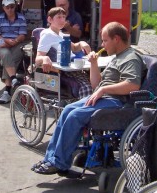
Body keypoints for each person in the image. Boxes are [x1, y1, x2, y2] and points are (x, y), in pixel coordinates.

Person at [32, 21, 146, 175]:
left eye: (105, 40)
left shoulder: (130, 58)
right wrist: (93, 64)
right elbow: (95, 84)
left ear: (117, 39)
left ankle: (58, 162)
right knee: (67, 110)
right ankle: (51, 158)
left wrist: (103, 89)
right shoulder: (118, 57)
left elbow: (132, 85)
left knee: (74, 116)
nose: (102, 44)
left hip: (117, 101)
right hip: (104, 97)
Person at [35, 7, 92, 99]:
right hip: (63, 71)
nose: (62, 20)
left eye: (63, 17)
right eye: (59, 17)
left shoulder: (61, 34)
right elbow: (38, 59)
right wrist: (45, 58)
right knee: (87, 87)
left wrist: (82, 43)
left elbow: (74, 48)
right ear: (50, 19)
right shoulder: (47, 34)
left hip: (74, 67)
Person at [0, 0, 27, 104]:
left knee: (11, 58)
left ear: (15, 6)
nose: (10, 9)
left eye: (12, 6)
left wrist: (15, 41)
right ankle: (13, 78)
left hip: (17, 43)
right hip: (3, 42)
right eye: (7, 7)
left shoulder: (21, 18)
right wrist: (6, 41)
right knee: (6, 54)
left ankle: (7, 91)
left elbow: (23, 35)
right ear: (3, 8)